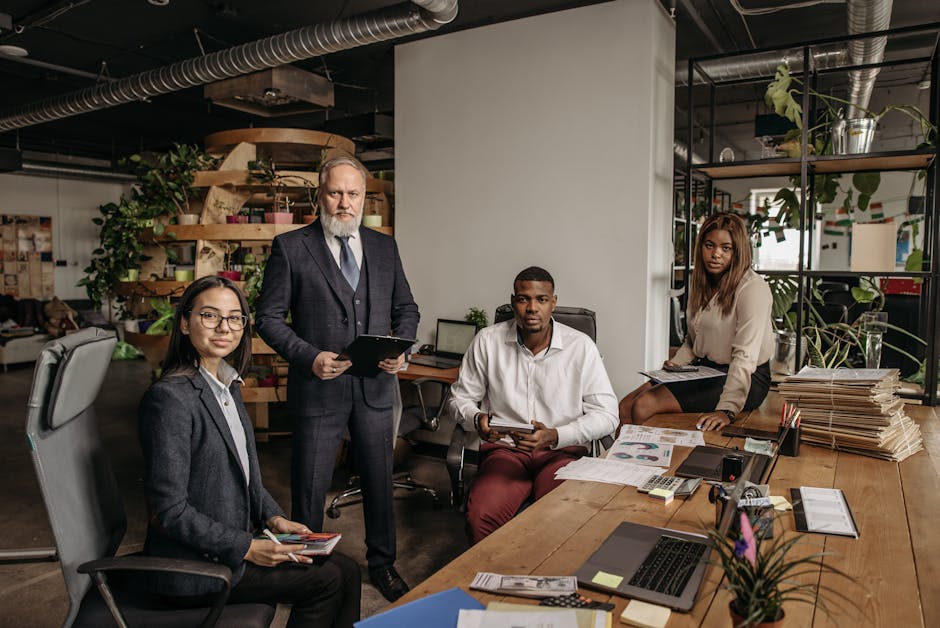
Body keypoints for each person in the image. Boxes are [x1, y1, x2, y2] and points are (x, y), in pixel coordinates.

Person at [138, 276, 360, 627]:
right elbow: (170, 512)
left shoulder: (227, 385)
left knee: (347, 569)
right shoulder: (170, 399)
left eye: (235, 317)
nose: (224, 327)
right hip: (197, 569)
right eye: (210, 316)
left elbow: (246, 479)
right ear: (185, 322)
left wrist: (274, 518)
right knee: (326, 580)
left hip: (229, 545)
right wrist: (247, 546)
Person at [255, 155, 419, 602]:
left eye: (354, 194)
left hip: (375, 388)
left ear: (364, 198)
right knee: (308, 485)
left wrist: (398, 349)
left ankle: (383, 564)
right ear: (319, 195)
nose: (344, 202)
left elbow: (407, 309)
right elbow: (267, 318)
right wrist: (309, 357)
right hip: (318, 387)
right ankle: (305, 573)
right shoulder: (291, 247)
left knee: (379, 484)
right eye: (336, 192)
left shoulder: (385, 247)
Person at [447, 266, 619, 544]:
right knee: (480, 517)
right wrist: (476, 419)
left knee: (562, 516)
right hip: (505, 452)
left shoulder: (581, 347)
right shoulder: (487, 342)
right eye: (523, 299)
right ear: (513, 301)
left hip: (561, 453)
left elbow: (608, 415)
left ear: (553, 303)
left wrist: (555, 435)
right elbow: (459, 399)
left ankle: (546, 583)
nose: (531, 308)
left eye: (541, 299)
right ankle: (491, 583)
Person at [619, 212, 774, 431]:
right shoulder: (702, 284)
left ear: (738, 251)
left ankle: (646, 462)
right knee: (626, 405)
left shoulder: (752, 288)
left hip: (746, 378)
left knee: (644, 405)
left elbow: (745, 356)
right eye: (709, 245)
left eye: (725, 248)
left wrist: (727, 409)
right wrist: (676, 365)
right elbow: (693, 341)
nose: (716, 254)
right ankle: (618, 465)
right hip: (706, 370)